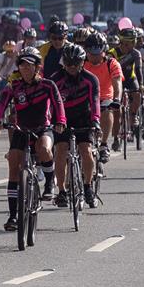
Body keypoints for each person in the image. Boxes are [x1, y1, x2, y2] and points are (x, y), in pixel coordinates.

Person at [0, 48, 64, 228]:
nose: (25, 68)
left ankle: (49, 183)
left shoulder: (48, 85)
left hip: (43, 129)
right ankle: (13, 216)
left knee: (45, 149)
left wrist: (60, 121)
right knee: (13, 164)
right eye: (22, 65)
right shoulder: (14, 87)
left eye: (29, 65)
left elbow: (58, 103)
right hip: (21, 130)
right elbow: (2, 104)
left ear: (37, 67)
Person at [52, 44, 103, 208]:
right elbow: (49, 104)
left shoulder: (91, 79)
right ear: (63, 63)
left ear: (82, 62)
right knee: (60, 151)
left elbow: (95, 101)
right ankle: (61, 191)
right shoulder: (55, 79)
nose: (72, 67)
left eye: (76, 63)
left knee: (86, 150)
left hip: (84, 118)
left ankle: (88, 186)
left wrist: (95, 120)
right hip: (63, 119)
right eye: (68, 64)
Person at [82, 34, 123, 163]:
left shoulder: (112, 63)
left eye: (97, 53)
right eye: (91, 54)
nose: (94, 57)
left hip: (105, 97)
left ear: (104, 51)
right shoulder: (80, 63)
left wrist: (117, 99)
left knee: (107, 110)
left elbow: (117, 83)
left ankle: (104, 145)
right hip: (85, 98)